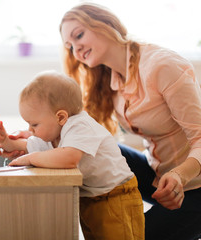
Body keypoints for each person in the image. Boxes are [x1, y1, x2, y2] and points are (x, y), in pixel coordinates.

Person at [57, 3, 201, 240]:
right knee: (91, 148)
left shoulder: (162, 65)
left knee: (132, 235)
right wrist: (33, 138)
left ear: (105, 24)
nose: (76, 49)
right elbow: (80, 130)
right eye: (69, 46)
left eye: (79, 35)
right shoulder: (108, 79)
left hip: (194, 185)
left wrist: (179, 175)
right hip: (160, 177)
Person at [0, 70, 145, 240]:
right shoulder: (53, 134)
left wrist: (30, 158)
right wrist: (5, 141)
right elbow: (26, 147)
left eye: (34, 124)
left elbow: (69, 159)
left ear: (61, 117)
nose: (30, 130)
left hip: (115, 197)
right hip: (91, 198)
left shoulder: (79, 126)